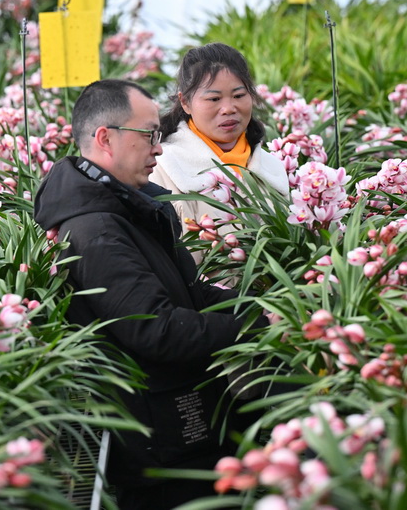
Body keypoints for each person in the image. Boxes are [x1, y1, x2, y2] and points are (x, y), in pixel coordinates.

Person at [33, 79, 260, 509]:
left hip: (181, 420)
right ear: (105, 138)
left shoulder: (129, 207)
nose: (159, 147)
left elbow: (189, 293)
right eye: (150, 134)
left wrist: (262, 308)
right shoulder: (96, 230)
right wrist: (254, 325)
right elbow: (158, 330)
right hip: (162, 445)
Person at [150, 43, 290, 243]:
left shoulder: (272, 169)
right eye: (214, 99)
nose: (228, 109)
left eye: (239, 96)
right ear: (185, 103)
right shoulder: (162, 167)